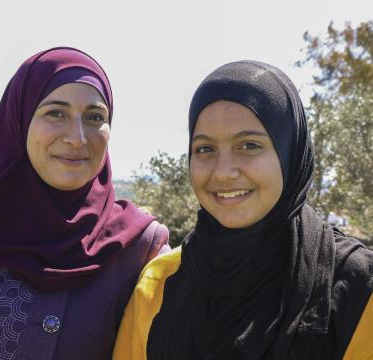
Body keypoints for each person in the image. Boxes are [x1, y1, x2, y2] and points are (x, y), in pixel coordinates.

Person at [0, 47, 169, 360]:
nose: (78, 137)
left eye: (94, 117)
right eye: (56, 113)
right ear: (20, 120)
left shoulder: (138, 246)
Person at [112, 61, 373, 360]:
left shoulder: (357, 289)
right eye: (205, 149)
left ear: (290, 153)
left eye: (249, 145)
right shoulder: (160, 283)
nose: (223, 173)